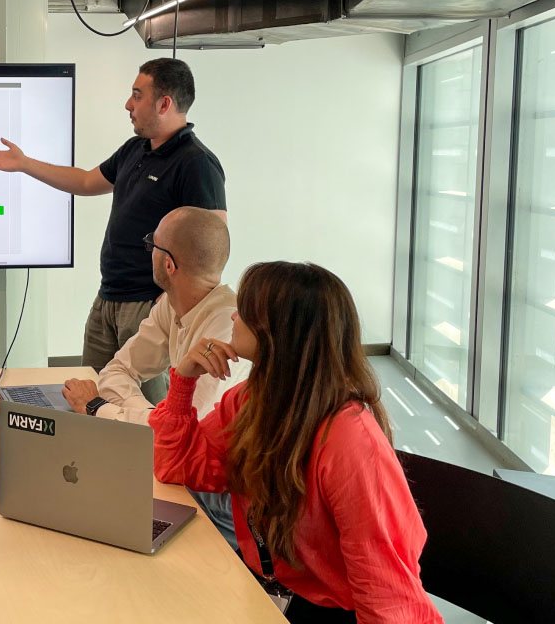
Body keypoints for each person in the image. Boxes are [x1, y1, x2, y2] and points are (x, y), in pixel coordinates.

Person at [151, 262, 441, 624]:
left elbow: (384, 592)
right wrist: (183, 381)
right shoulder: (250, 402)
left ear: (278, 332)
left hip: (330, 610)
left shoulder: (350, 439)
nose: (234, 318)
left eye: (246, 312)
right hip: (266, 589)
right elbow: (176, 467)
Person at [0, 58, 226, 380]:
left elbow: (211, 246)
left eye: (137, 95)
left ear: (164, 104)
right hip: (108, 297)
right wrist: (25, 164)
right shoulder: (135, 149)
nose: (128, 105)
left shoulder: (196, 163)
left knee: (144, 406)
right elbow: (84, 182)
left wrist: (168, 304)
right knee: (94, 394)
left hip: (149, 306)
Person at [60, 207, 247, 546]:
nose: (149, 251)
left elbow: (190, 441)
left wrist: (99, 407)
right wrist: (153, 418)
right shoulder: (171, 305)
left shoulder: (227, 331)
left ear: (168, 264)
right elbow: (117, 372)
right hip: (183, 470)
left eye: (152, 245)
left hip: (219, 500)